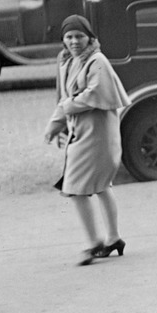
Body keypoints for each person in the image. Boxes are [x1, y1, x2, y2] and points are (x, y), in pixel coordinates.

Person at [44, 14, 131, 266]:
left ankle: (94, 243)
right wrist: (55, 125)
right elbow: (64, 98)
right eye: (69, 36)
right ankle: (113, 238)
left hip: (97, 134)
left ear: (90, 37)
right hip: (82, 132)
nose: (74, 41)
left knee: (74, 188)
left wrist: (66, 109)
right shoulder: (66, 61)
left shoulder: (97, 60)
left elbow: (94, 93)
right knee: (102, 185)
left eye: (79, 36)